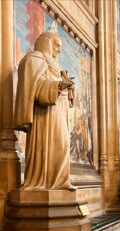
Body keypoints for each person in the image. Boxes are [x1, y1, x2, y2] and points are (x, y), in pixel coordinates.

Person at [14, 31, 76, 190]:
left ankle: (61, 181)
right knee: (50, 146)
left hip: (58, 112)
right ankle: (44, 182)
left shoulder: (53, 63)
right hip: (44, 115)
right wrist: (58, 86)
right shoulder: (33, 59)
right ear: (47, 42)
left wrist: (67, 88)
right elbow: (35, 87)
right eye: (57, 46)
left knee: (63, 145)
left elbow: (55, 83)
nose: (59, 51)